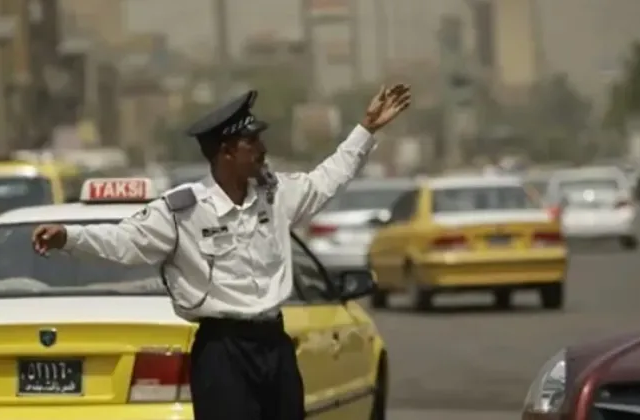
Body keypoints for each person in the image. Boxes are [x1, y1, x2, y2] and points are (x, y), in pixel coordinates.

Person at [31, 83, 411, 420]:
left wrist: (367, 129)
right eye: (252, 143)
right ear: (226, 152)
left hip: (274, 347)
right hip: (223, 355)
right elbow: (124, 242)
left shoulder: (274, 195)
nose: (262, 151)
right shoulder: (183, 211)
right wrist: (69, 236)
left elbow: (327, 179)